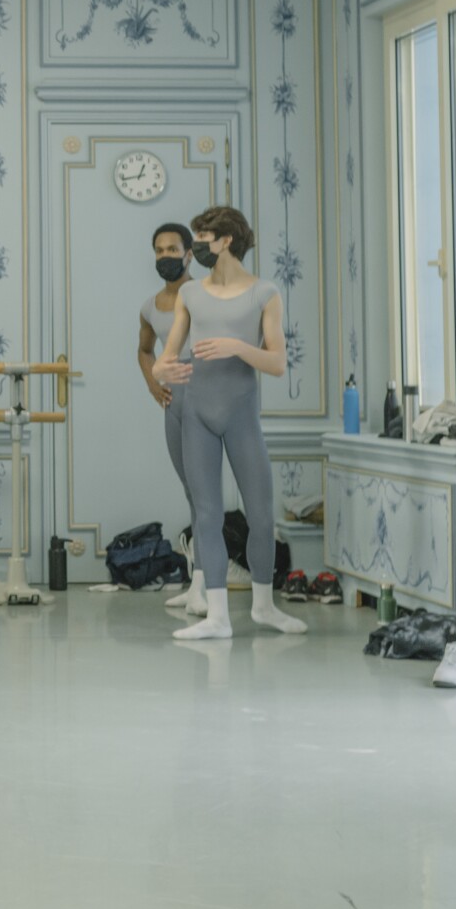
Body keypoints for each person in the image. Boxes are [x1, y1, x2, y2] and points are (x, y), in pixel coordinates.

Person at [152, 205, 305, 639]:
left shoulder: (264, 293)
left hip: (240, 415)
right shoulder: (190, 295)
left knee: (260, 514)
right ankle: (217, 617)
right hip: (197, 411)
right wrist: (163, 373)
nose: (196, 245)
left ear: (226, 242)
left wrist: (236, 348)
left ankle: (264, 607)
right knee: (207, 514)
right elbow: (165, 360)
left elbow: (276, 363)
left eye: (203, 238)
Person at [139, 221, 203, 615]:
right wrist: (152, 385)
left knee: (205, 492)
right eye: (159, 250)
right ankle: (197, 580)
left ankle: (207, 586)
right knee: (191, 491)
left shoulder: (202, 294)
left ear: (189, 253)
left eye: (172, 249)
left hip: (204, 397)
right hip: (173, 403)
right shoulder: (150, 306)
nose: (166, 256)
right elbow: (145, 351)